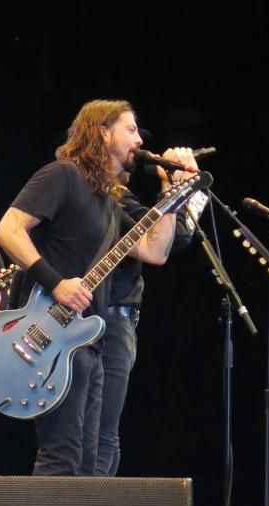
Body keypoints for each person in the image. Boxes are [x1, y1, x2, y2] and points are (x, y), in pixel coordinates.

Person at [0, 99, 180, 476]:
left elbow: (155, 251)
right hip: (53, 335)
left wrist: (172, 191)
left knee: (87, 463)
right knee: (61, 456)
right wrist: (56, 283)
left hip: (89, 342)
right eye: (131, 130)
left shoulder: (109, 199)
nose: (140, 141)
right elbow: (8, 230)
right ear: (102, 132)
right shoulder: (62, 175)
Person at [96, 152, 204, 476]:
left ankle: (89, 503)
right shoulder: (108, 198)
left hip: (111, 320)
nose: (140, 143)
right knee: (99, 433)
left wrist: (187, 190)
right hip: (105, 319)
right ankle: (82, 505)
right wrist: (181, 189)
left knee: (102, 433)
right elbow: (172, 238)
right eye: (131, 131)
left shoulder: (118, 197)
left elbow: (170, 239)